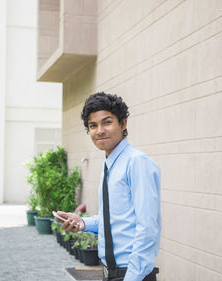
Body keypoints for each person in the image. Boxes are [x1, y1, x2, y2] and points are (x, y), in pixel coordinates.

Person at [56, 92, 161, 281]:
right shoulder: (109, 164)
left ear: (123, 124)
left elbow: (147, 228)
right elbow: (116, 220)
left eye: (107, 122)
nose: (99, 130)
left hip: (131, 274)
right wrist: (83, 223)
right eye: (93, 125)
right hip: (110, 273)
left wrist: (132, 277)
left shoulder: (137, 162)